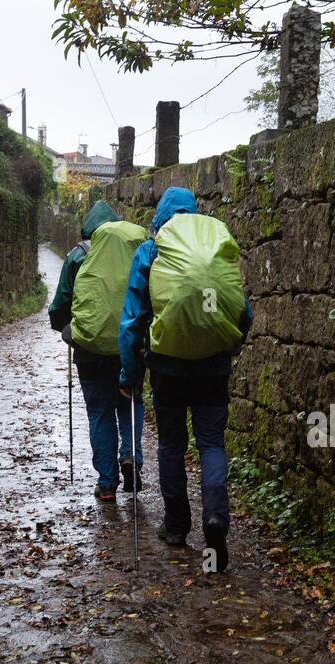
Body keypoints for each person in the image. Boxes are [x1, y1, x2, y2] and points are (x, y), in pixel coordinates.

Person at [118, 187, 253, 572]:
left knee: (172, 445)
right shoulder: (212, 240)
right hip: (212, 363)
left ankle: (177, 525)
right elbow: (240, 307)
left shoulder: (152, 249)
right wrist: (234, 339)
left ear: (160, 214)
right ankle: (216, 519)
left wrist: (129, 372)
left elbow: (133, 319)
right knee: (211, 442)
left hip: (168, 365)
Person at [49, 199, 145, 500]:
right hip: (129, 344)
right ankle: (130, 456)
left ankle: (106, 483)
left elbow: (61, 303)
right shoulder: (136, 250)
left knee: (100, 412)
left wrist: (66, 327)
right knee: (131, 402)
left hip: (90, 348)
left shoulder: (78, 254)